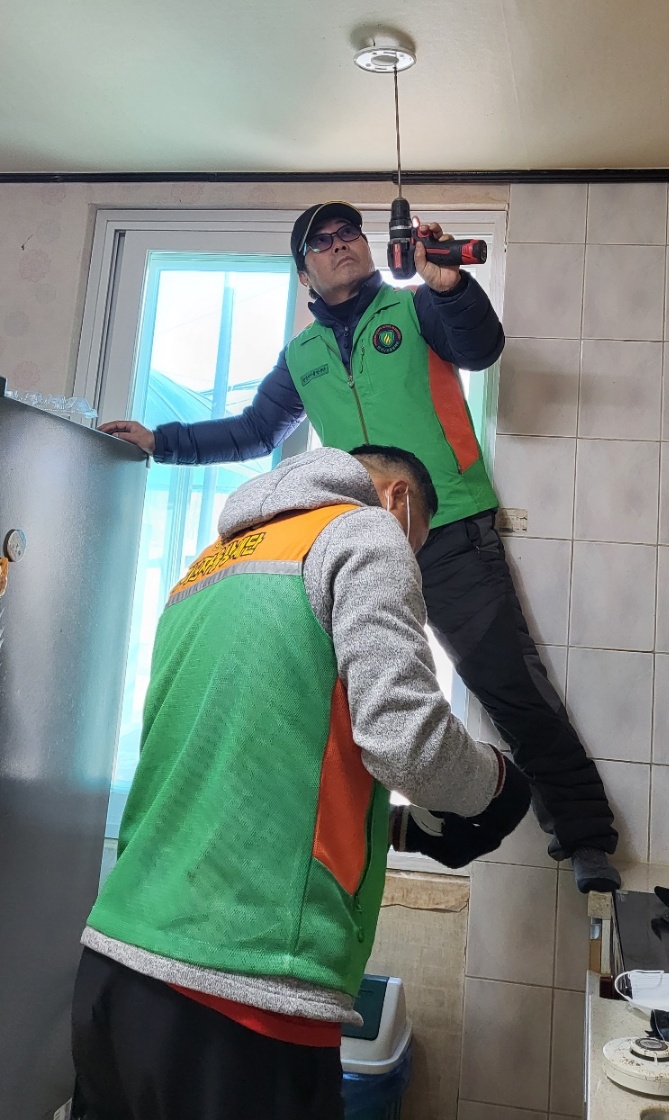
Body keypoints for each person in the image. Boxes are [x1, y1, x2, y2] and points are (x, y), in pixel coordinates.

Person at [102, 201, 620, 893]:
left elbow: (479, 349)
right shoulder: (302, 356)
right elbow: (255, 431)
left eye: (349, 233)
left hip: (452, 533)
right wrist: (161, 441)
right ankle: (357, 834)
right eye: (321, 241)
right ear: (304, 273)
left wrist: (451, 289)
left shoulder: (416, 309)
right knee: (337, 697)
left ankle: (585, 837)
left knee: (511, 690)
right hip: (360, 539)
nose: (339, 244)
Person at [73, 444, 531, 1120]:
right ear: (398, 499)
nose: (411, 560)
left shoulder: (208, 566)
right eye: (419, 544)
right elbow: (408, 743)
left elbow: (241, 768)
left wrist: (398, 829)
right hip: (242, 990)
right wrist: (499, 785)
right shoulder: (364, 530)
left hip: (117, 964)